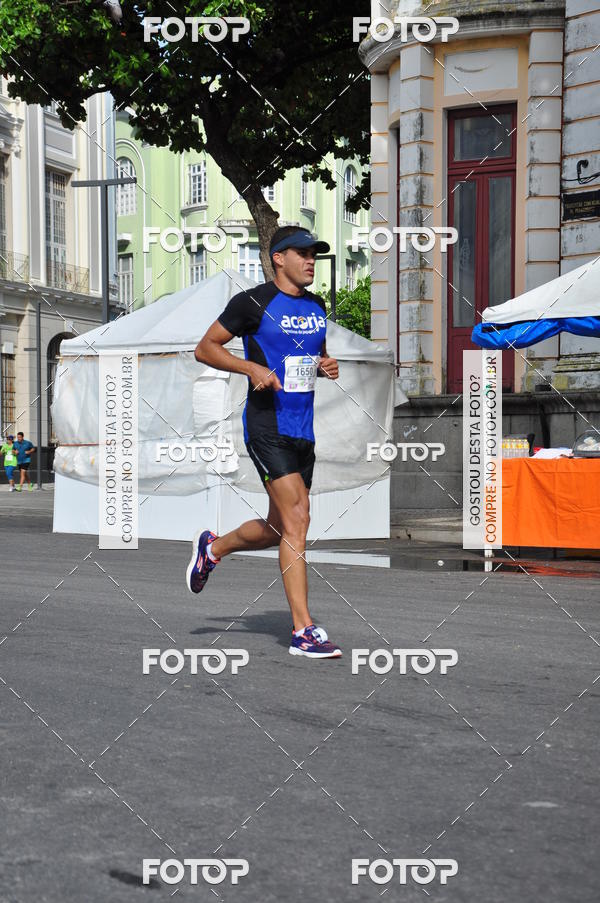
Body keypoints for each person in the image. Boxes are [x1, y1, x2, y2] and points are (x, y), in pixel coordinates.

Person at [187, 226, 342, 659]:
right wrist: (249, 369)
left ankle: (213, 548)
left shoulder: (316, 305)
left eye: (315, 254)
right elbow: (206, 348)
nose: (312, 261)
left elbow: (312, 353)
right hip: (266, 425)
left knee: (279, 528)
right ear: (278, 257)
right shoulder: (252, 302)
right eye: (303, 253)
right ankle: (303, 630)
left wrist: (325, 363)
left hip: (302, 429)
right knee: (298, 519)